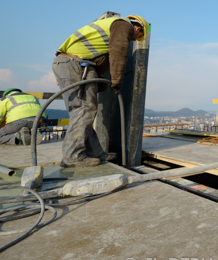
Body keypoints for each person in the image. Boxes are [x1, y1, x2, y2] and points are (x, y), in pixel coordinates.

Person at [52, 14, 148, 167]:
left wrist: (100, 76)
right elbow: (118, 50)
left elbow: (102, 57)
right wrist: (117, 81)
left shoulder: (109, 26)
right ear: (138, 27)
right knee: (84, 110)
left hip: (70, 63)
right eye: (136, 37)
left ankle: (95, 152)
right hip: (77, 64)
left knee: (83, 111)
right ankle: (73, 156)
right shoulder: (124, 25)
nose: (133, 40)